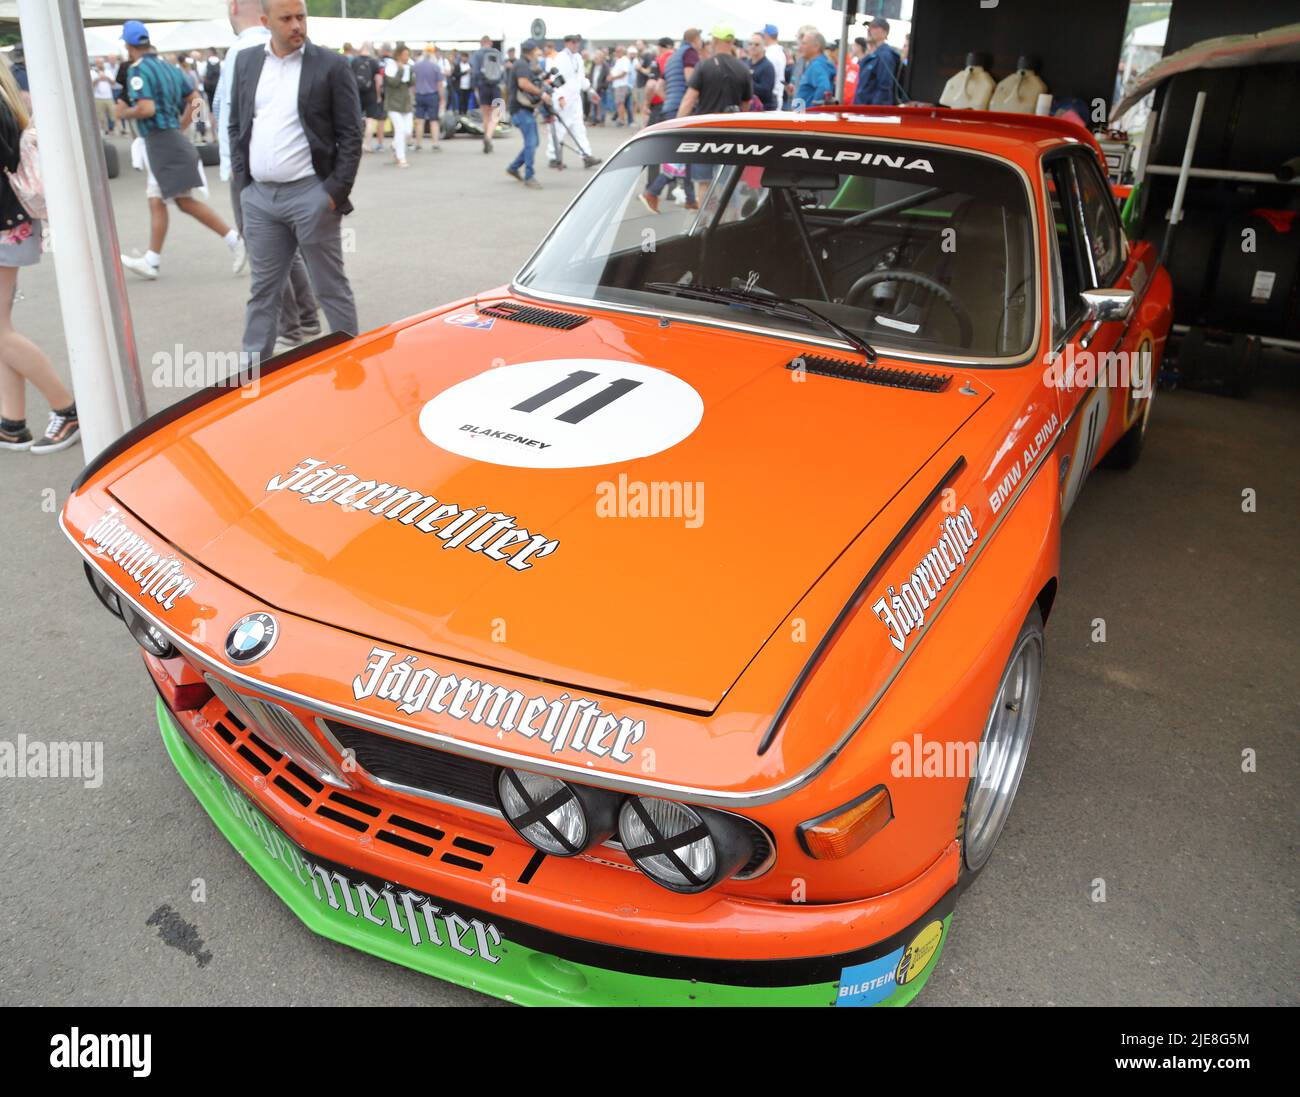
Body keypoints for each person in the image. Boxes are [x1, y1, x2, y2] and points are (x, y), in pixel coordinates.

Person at [228, 0, 360, 363]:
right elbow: (237, 124)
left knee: (330, 287)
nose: (297, 25)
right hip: (260, 198)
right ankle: (251, 375)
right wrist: (245, 186)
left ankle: (350, 359)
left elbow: (351, 134)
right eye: (286, 19)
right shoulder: (248, 61)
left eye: (301, 17)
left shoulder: (330, 65)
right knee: (263, 291)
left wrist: (333, 193)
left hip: (311, 195)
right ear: (265, 22)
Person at [215, 0, 319, 352]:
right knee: (288, 249)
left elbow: (229, 113)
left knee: (268, 252)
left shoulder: (242, 52)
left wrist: (236, 168)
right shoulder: (266, 50)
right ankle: (306, 318)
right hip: (275, 167)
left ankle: (291, 326)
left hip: (253, 170)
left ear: (232, 8)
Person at [117, 21, 245, 281]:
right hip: (171, 138)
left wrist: (125, 113)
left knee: (182, 201)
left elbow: (146, 109)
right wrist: (183, 125)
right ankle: (152, 260)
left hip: (160, 140)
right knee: (158, 199)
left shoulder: (138, 71)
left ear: (129, 46)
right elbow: (197, 100)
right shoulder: (169, 67)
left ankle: (234, 240)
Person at [0, 57, 79, 454]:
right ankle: (12, 422)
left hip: (6, 226)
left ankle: (66, 407)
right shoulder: (6, 97)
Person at [677, 26, 752, 208]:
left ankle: (704, 225)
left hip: (705, 134)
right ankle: (730, 224)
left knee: (704, 183)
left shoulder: (704, 66)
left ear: (714, 41)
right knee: (729, 185)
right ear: (732, 42)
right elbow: (746, 107)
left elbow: (689, 100)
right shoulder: (743, 69)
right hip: (732, 136)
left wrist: (677, 126)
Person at [548, 33, 601, 170]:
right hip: (564, 98)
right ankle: (554, 157)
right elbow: (554, 77)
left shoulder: (578, 58)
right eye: (573, 42)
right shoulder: (560, 58)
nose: (576, 44)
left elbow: (581, 78)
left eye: (577, 42)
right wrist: (559, 96)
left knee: (579, 129)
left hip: (575, 99)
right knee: (559, 129)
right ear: (567, 43)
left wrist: (591, 91)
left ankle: (586, 155)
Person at [504, 38, 549, 190]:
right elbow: (523, 84)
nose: (538, 53)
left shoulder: (521, 63)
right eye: (536, 51)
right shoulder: (522, 64)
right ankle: (529, 176)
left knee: (534, 142)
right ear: (531, 52)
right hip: (521, 109)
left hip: (522, 109)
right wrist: (541, 94)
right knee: (531, 142)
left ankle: (513, 167)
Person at [854, 17, 900, 106]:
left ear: (884, 33)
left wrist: (874, 114)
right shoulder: (873, 55)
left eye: (874, 27)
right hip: (862, 112)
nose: (869, 30)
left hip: (871, 114)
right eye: (869, 27)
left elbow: (884, 89)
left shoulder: (885, 55)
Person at [469, 35, 504, 153]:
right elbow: (502, 70)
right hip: (495, 87)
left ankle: (486, 137)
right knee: (496, 114)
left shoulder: (477, 54)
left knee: (485, 115)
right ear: (490, 42)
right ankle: (489, 137)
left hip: (482, 86)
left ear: (481, 42)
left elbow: (474, 71)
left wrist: (474, 86)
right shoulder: (497, 53)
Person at [383, 43, 414, 167]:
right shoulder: (390, 66)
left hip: (406, 103)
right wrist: (401, 70)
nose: (407, 57)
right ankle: (401, 157)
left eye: (408, 54)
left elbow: (411, 83)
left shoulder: (409, 65)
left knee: (407, 131)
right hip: (393, 104)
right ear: (399, 55)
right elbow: (393, 83)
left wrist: (410, 72)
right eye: (405, 54)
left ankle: (395, 145)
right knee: (400, 130)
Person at [659, 28, 700, 120]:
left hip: (668, 108)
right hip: (683, 109)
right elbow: (691, 80)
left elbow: (658, 87)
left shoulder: (672, 57)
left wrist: (669, 100)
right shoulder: (690, 52)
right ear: (696, 39)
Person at [351, 42, 384, 152]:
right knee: (370, 120)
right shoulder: (374, 62)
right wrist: (378, 95)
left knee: (356, 119)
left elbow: (349, 78)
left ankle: (355, 143)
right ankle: (367, 144)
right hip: (371, 94)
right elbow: (378, 81)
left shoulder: (354, 61)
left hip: (356, 93)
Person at [411, 45, 443, 152]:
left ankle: (418, 143)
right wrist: (442, 98)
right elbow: (439, 84)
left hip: (419, 95)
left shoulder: (416, 66)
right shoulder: (435, 67)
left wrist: (414, 93)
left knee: (419, 120)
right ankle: (435, 143)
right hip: (432, 95)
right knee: (434, 120)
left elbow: (413, 83)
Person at [794, 30, 835, 109]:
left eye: (804, 43)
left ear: (816, 46)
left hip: (808, 118)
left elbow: (824, 88)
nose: (800, 47)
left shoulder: (817, 66)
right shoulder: (818, 64)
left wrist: (814, 110)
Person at [746, 32, 776, 110]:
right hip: (749, 108)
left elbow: (765, 91)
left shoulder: (767, 66)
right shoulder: (747, 64)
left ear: (763, 47)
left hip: (764, 110)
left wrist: (747, 83)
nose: (753, 47)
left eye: (757, 44)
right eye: (750, 44)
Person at [759, 24, 786, 110]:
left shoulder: (770, 54)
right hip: (777, 95)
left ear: (766, 35)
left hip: (771, 97)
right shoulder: (780, 53)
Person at [92, 58, 118, 134]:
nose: (101, 64)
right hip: (98, 97)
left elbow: (113, 82)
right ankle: (105, 129)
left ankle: (114, 128)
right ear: (96, 64)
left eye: (102, 63)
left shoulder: (108, 72)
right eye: (99, 63)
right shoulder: (93, 72)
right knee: (101, 115)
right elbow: (91, 84)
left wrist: (106, 78)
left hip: (108, 96)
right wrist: (98, 78)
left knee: (113, 113)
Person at [610, 46, 631, 126]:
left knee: (620, 103)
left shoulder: (625, 60)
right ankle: (620, 118)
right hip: (617, 85)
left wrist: (613, 78)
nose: (616, 53)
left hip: (621, 85)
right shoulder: (619, 60)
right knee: (618, 103)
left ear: (622, 52)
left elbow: (624, 73)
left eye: (618, 51)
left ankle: (621, 120)